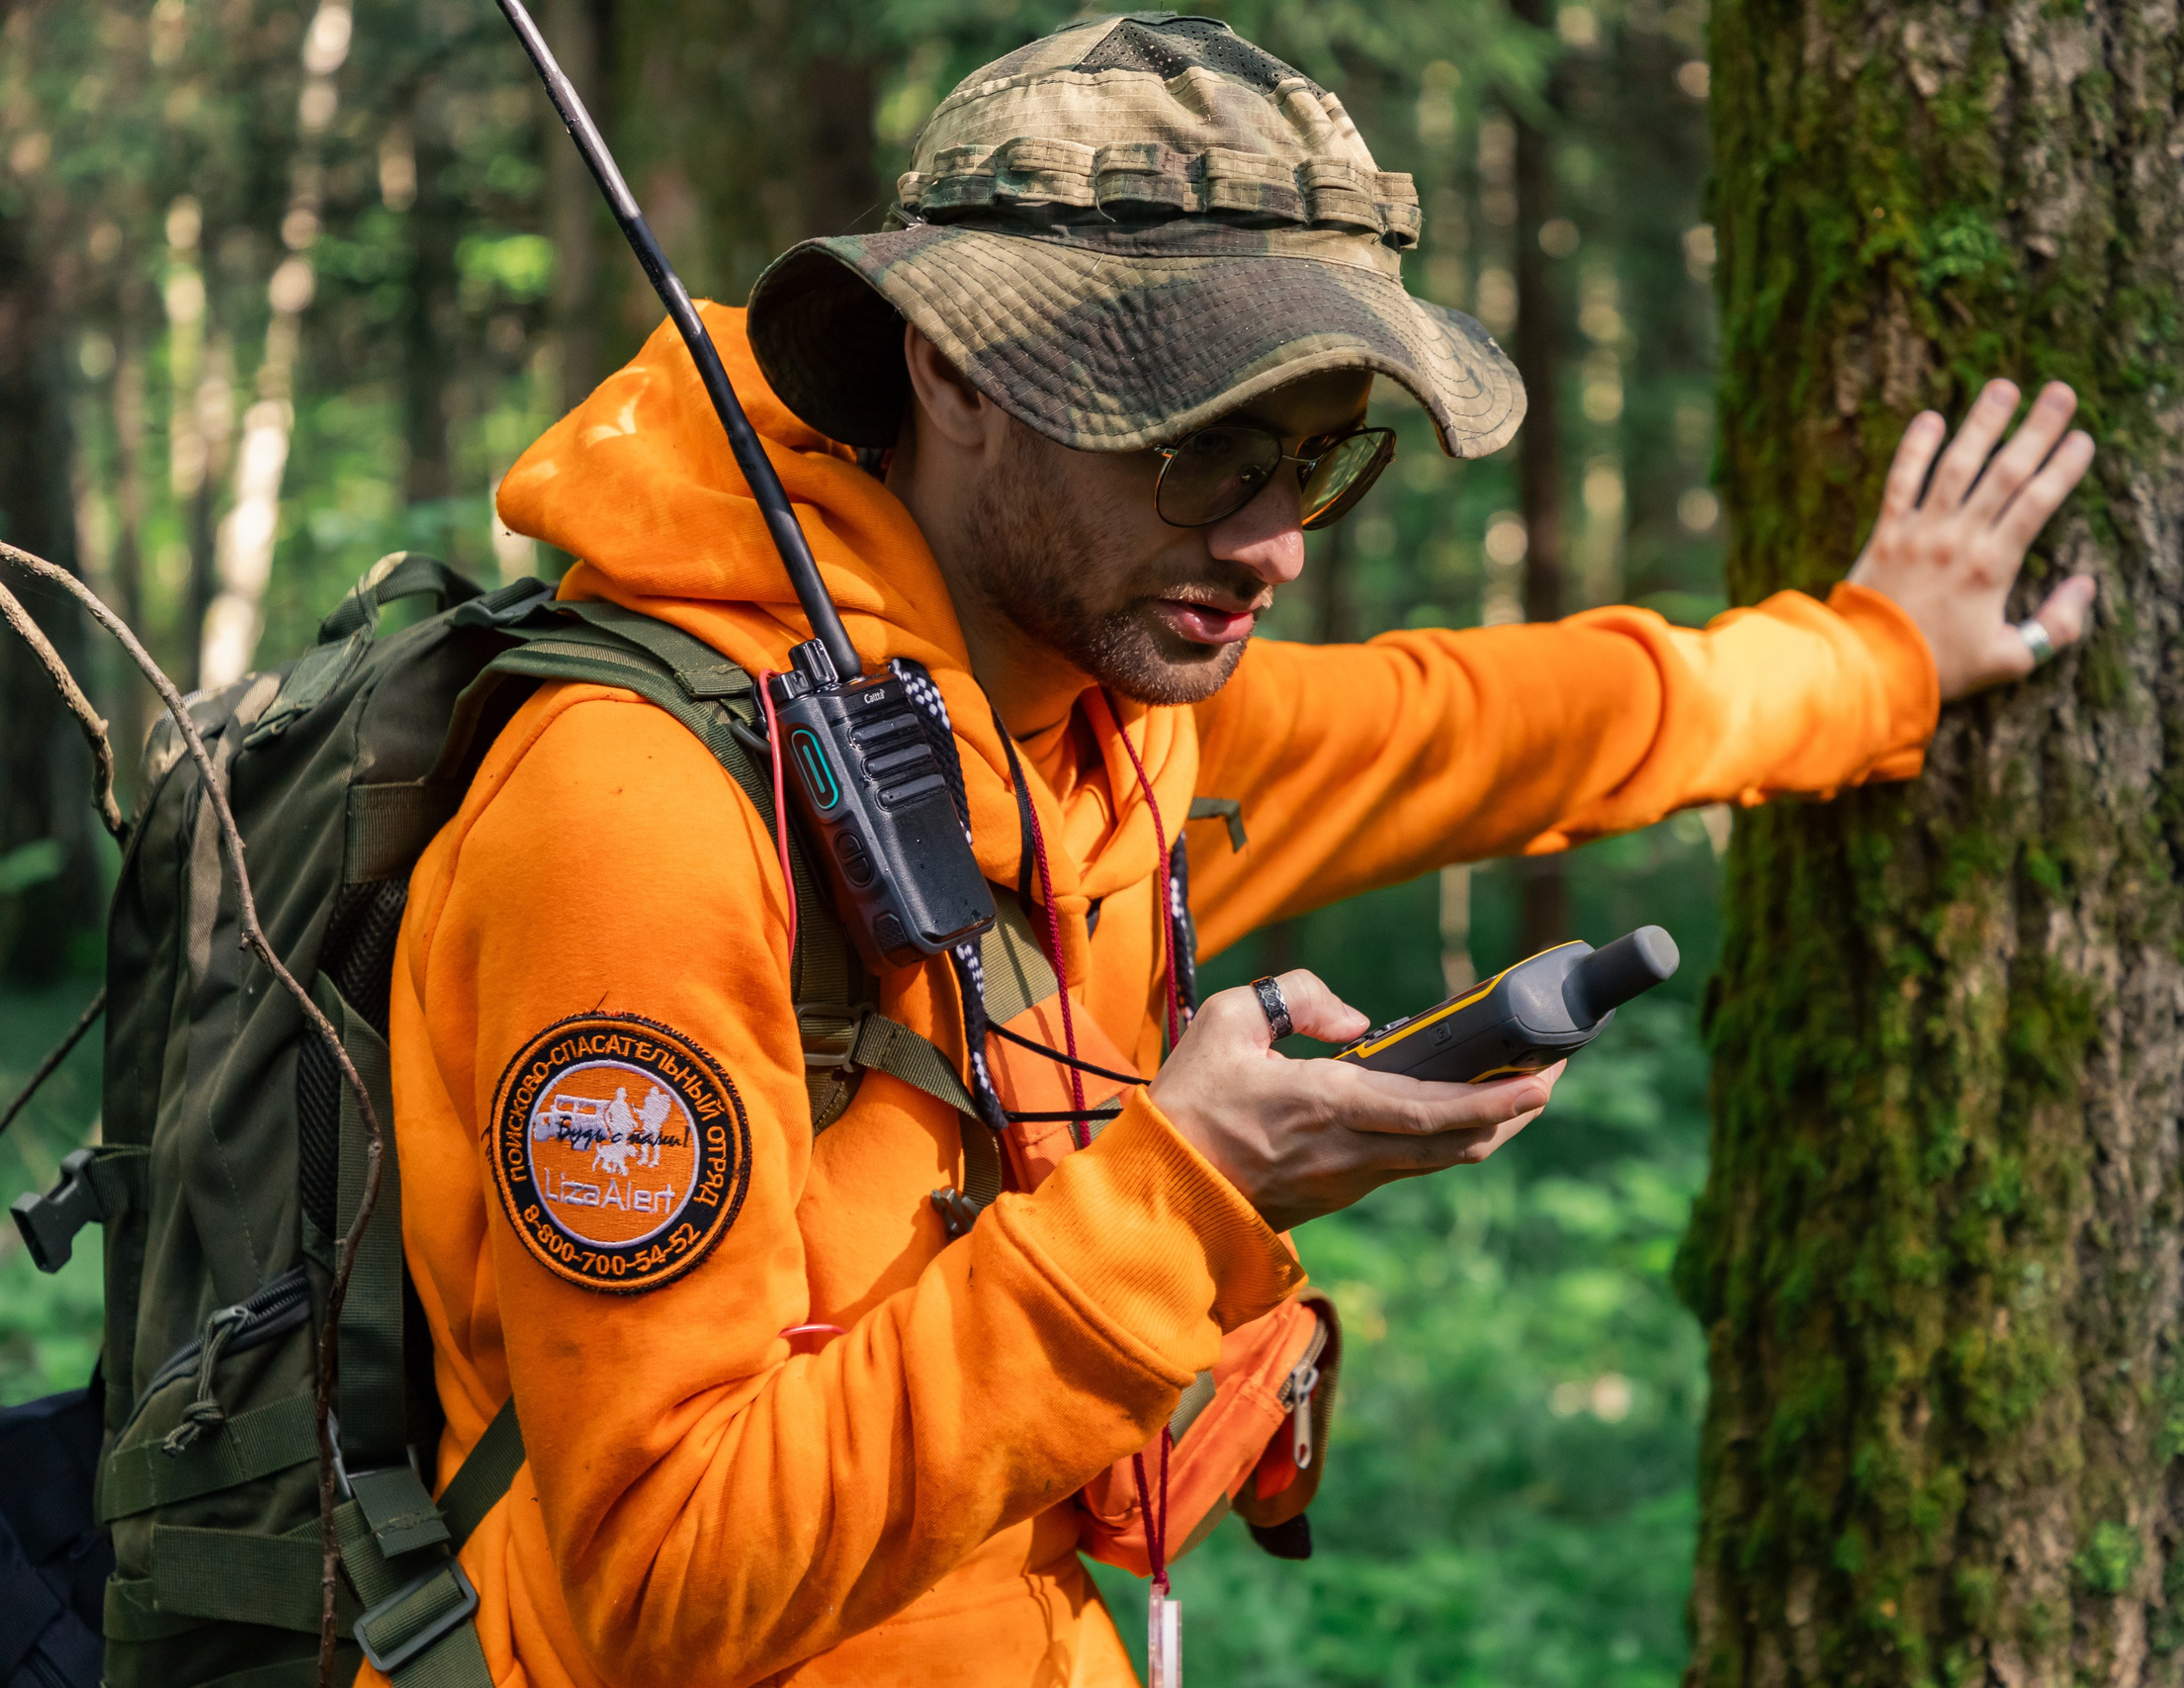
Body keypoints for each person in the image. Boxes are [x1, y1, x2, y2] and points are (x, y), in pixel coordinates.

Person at [387, 13, 2097, 1686]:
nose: (1273, 543)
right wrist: (1187, 1199)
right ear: (954, 371)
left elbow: (1510, 724)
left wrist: (1881, 658)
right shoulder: (635, 815)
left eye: (1314, 458)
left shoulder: (1110, 724)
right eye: (1204, 450)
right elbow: (657, 1586)